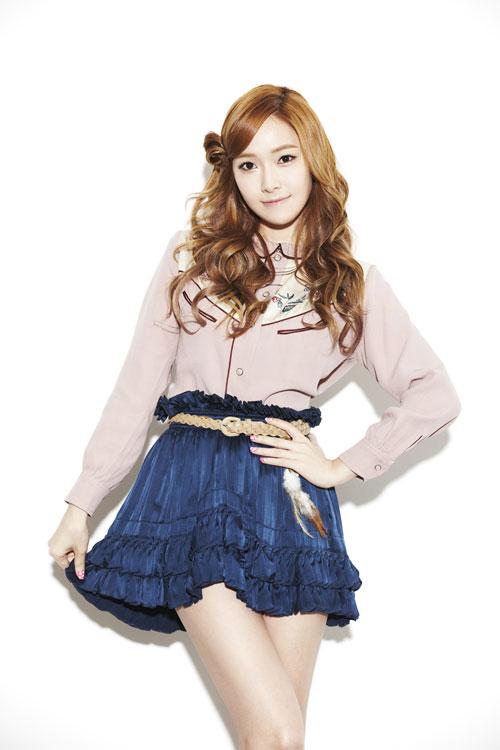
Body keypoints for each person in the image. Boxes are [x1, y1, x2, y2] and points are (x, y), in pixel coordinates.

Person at [48, 84, 461, 748]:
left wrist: (343, 466)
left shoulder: (349, 286)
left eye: (284, 158)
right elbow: (136, 389)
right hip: (191, 490)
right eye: (248, 163)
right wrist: (82, 502)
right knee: (275, 730)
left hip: (291, 502)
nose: (267, 180)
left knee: (279, 738)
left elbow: (433, 395)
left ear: (313, 161)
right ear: (232, 173)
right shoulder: (191, 262)